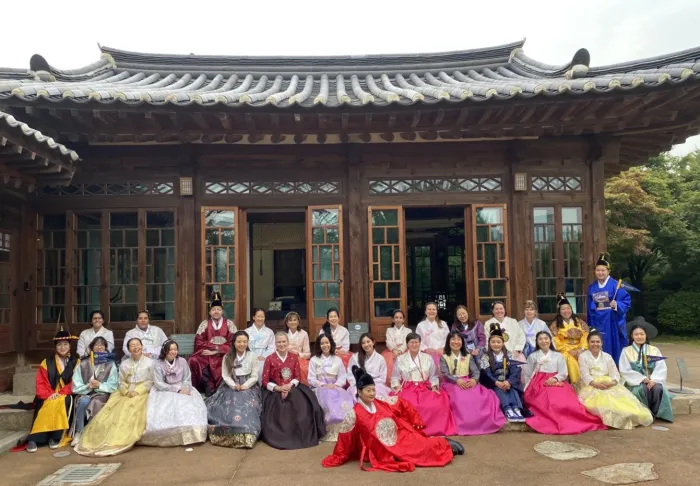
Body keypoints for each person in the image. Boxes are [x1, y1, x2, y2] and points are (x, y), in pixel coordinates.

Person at [322, 366, 462, 472]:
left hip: (400, 435)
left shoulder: (381, 401)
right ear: (359, 392)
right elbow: (344, 439)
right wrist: (339, 456)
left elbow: (401, 403)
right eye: (368, 390)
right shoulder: (354, 414)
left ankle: (444, 443)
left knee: (420, 445)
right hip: (384, 450)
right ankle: (445, 446)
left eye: (373, 390)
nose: (372, 393)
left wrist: (415, 421)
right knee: (416, 455)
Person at [74, 338, 156, 456]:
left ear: (142, 346)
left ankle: (122, 437)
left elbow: (151, 380)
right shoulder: (125, 363)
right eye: (132, 345)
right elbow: (121, 381)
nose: (135, 347)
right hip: (125, 392)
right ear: (128, 349)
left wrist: (138, 391)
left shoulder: (150, 362)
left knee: (131, 408)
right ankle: (85, 433)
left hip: (142, 392)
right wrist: (126, 391)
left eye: (138, 345)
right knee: (112, 411)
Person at [524, 331, 606, 435]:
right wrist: (527, 388)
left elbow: (564, 372)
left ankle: (570, 421)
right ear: (537, 342)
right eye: (540, 339)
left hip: (556, 381)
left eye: (546, 338)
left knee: (566, 402)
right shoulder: (532, 356)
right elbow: (527, 374)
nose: (543, 341)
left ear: (550, 340)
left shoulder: (558, 355)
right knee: (548, 402)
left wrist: (555, 378)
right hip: (539, 383)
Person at [261, 331, 326, 450]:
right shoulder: (269, 359)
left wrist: (289, 386)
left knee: (301, 404)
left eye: (284, 341)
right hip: (275, 390)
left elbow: (297, 377)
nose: (281, 344)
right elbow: (264, 381)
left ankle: (301, 435)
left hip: (292, 387)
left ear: (288, 342)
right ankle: (281, 437)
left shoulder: (293, 357)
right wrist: (279, 388)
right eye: (279, 342)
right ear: (275, 344)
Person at [577, 331, 653, 430]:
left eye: (597, 342)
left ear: (602, 343)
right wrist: (595, 384)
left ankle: (629, 416)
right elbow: (584, 373)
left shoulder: (607, 356)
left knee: (622, 401)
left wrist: (612, 382)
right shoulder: (583, 356)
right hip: (591, 383)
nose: (595, 344)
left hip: (608, 382)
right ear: (588, 343)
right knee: (599, 402)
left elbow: (615, 373)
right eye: (592, 342)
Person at [140, 340, 208, 447]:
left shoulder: (182, 361)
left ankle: (192, 434)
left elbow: (187, 377)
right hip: (164, 390)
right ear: (164, 350)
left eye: (175, 349)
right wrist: (176, 390)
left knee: (189, 407)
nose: (173, 352)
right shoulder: (158, 363)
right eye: (170, 349)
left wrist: (186, 388)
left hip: (182, 387)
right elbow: (158, 383)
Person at [439, 331, 506, 435]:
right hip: (451, 383)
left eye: (458, 339)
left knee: (479, 396)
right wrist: (457, 380)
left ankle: (479, 424)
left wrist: (474, 379)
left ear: (462, 342)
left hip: (468, 380)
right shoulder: (444, 357)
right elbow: (445, 374)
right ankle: (464, 425)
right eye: (453, 339)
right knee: (460, 396)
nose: (456, 342)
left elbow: (476, 371)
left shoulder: (468, 356)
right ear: (448, 342)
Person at [25, 327, 79, 453]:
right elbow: (41, 383)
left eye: (65, 344)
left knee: (64, 401)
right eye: (59, 344)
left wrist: (60, 393)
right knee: (46, 403)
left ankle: (56, 436)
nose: (62, 347)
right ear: (55, 347)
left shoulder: (76, 362)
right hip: (48, 395)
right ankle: (35, 438)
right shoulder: (46, 362)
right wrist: (50, 394)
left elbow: (75, 382)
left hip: (66, 394)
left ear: (69, 346)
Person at [390, 333, 455, 437]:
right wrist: (397, 386)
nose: (414, 345)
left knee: (436, 401)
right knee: (404, 404)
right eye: (412, 342)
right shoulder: (400, 359)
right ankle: (408, 430)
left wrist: (434, 386)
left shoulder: (427, 358)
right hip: (407, 386)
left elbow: (433, 376)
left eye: (416, 342)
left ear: (420, 343)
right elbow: (395, 377)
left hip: (424, 386)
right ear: (407, 344)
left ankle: (432, 429)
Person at [206, 331, 262, 448]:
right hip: (230, 385)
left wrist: (245, 386)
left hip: (248, 385)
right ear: (234, 343)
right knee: (229, 404)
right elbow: (225, 375)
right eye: (239, 341)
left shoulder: (252, 356)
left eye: (244, 342)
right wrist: (233, 385)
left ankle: (248, 432)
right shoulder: (227, 357)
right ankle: (229, 431)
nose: (242, 344)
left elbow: (254, 376)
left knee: (248, 404)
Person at [70, 336, 119, 447]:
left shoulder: (110, 364)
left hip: (102, 394)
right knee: (83, 402)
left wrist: (99, 385)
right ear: (91, 348)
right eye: (96, 345)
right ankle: (79, 432)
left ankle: (94, 434)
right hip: (85, 393)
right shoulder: (82, 363)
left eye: (102, 345)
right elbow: (75, 385)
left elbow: (114, 384)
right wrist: (88, 386)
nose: (99, 347)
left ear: (106, 349)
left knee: (96, 402)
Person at [619, 324, 673, 423]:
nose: (639, 337)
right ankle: (645, 413)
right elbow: (624, 370)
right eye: (636, 334)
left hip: (652, 379)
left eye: (641, 334)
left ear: (645, 335)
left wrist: (654, 380)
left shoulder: (654, 350)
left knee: (658, 388)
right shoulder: (626, 351)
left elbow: (661, 367)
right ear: (632, 336)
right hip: (635, 382)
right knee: (641, 389)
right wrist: (641, 378)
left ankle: (656, 413)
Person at [308, 334, 356, 441]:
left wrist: (336, 385)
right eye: (322, 343)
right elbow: (311, 378)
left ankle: (340, 431)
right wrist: (322, 385)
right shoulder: (314, 360)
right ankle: (326, 430)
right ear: (318, 345)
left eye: (327, 342)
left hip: (335, 387)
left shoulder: (337, 360)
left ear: (331, 344)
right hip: (320, 388)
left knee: (346, 401)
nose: (325, 345)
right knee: (326, 396)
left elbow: (342, 377)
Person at [189, 291, 237, 395]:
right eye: (213, 309)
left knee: (224, 361)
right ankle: (207, 385)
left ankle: (221, 388)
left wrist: (216, 350)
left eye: (218, 309)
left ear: (222, 311)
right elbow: (199, 342)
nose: (216, 312)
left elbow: (233, 343)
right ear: (210, 312)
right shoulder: (204, 324)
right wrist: (212, 349)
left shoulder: (229, 324)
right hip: (207, 354)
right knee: (194, 360)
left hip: (223, 354)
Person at [587, 253, 631, 362]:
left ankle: (615, 369)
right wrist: (590, 324)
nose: (600, 273)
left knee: (613, 345)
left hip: (612, 322)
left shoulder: (616, 285)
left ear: (608, 271)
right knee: (597, 344)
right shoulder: (592, 287)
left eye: (603, 270)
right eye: (598, 270)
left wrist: (616, 305)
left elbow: (626, 301)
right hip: (597, 321)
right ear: (595, 271)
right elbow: (589, 307)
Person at [479, 324, 527, 423]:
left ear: (503, 343)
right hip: (494, 383)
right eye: (493, 342)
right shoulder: (485, 356)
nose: (496, 344)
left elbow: (515, 370)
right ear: (489, 343)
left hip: (508, 382)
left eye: (498, 342)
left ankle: (516, 409)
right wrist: (497, 382)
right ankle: (507, 409)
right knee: (500, 390)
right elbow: (486, 373)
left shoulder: (509, 355)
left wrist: (509, 382)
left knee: (512, 389)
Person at [550, 294, 589, 386]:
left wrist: (581, 349)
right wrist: (569, 350)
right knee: (570, 360)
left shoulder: (579, 322)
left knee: (585, 357)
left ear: (571, 309)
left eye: (568, 308)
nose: (566, 311)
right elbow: (555, 341)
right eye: (563, 309)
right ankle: (577, 384)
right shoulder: (555, 325)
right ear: (559, 311)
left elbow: (585, 335)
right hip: (565, 350)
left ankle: (588, 383)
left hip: (580, 348)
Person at [347, 333, 391, 400]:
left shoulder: (380, 358)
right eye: (363, 343)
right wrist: (357, 384)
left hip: (375, 385)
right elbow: (350, 373)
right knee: (356, 395)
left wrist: (369, 384)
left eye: (368, 342)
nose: (366, 345)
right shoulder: (355, 357)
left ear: (373, 342)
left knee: (375, 395)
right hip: (359, 385)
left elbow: (382, 378)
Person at [381, 309, 411, 386]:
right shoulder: (389, 330)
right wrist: (394, 350)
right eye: (396, 317)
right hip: (391, 351)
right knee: (389, 362)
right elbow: (389, 342)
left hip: (404, 351)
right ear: (393, 319)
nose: (398, 319)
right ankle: (392, 383)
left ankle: (405, 383)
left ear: (403, 319)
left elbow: (406, 343)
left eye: (400, 318)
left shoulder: (408, 331)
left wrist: (400, 351)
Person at [245, 308, 275, 382]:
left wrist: (264, 356)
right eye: (258, 316)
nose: (260, 318)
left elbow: (272, 347)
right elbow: (244, 346)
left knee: (263, 370)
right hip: (250, 356)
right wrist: (253, 356)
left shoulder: (269, 332)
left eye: (262, 317)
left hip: (264, 357)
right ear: (253, 317)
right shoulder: (247, 331)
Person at [415, 302, 450, 368]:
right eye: (429, 309)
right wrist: (425, 349)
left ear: (437, 311)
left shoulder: (443, 324)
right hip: (426, 353)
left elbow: (448, 338)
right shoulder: (420, 325)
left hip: (442, 352)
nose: (431, 311)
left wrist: (443, 348)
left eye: (434, 309)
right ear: (425, 312)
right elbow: (417, 340)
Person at [285, 311, 311, 386]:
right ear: (287, 323)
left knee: (304, 369)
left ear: (298, 322)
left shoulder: (304, 334)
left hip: (299, 358)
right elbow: (276, 349)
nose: (292, 322)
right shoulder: (283, 334)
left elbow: (308, 353)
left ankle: (303, 389)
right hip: (285, 358)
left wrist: (297, 353)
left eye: (294, 320)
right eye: (290, 320)